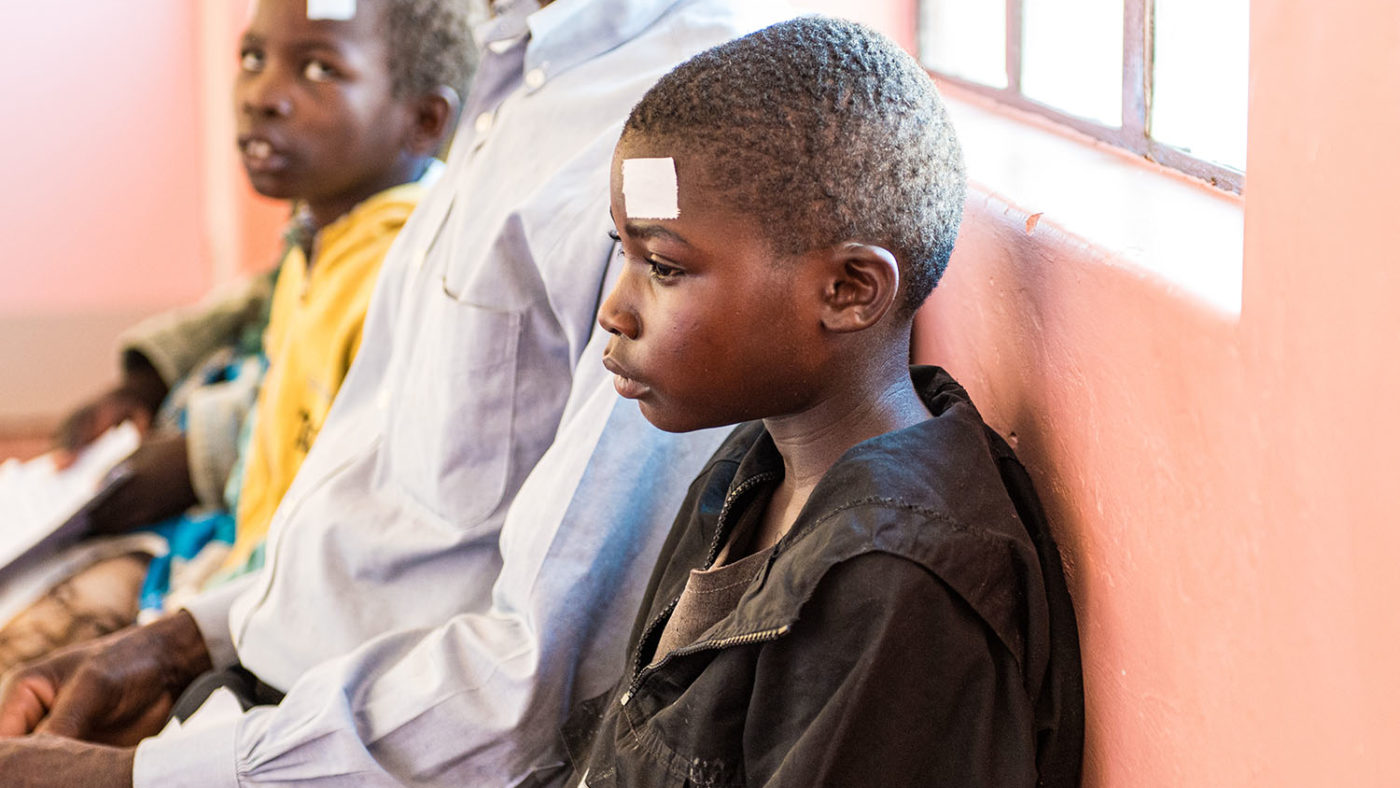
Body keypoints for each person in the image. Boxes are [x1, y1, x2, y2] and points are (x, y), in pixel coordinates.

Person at [0, 0, 791, 785]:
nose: (267, 93)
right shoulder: (519, 76)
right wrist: (184, 640)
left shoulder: (679, 132)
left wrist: (139, 776)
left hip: (333, 748)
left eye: (317, 68)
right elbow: (376, 501)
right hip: (268, 695)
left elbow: (531, 694)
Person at [565, 17, 1083, 786]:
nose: (616, 310)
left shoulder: (895, 588)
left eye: (665, 268)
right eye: (625, 254)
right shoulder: (757, 464)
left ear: (849, 291)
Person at [0, 0, 473, 669]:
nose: (262, 97)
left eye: (318, 68)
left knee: (32, 655)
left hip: (291, 620)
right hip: (244, 563)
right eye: (253, 59)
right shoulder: (324, 240)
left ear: (423, 120)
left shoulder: (398, 269)